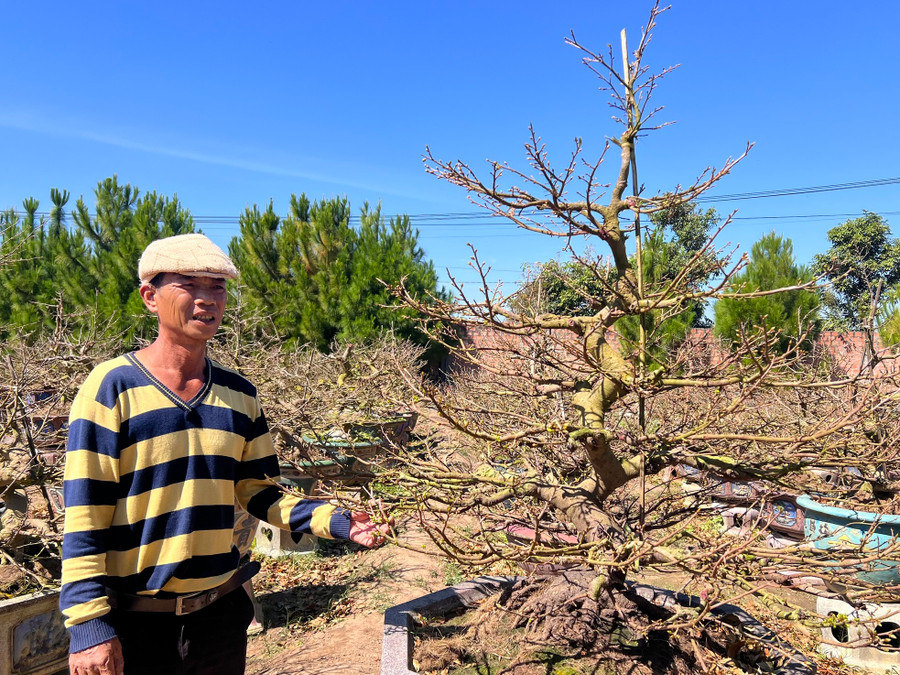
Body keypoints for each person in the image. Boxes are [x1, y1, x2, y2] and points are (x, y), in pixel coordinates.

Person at [60, 233, 388, 675]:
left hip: (220, 617)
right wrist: (88, 624)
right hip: (136, 624)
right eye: (189, 284)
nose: (207, 299)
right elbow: (85, 513)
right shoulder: (111, 388)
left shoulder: (240, 394)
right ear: (149, 296)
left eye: (217, 287)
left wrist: (340, 522)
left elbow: (260, 493)